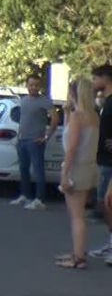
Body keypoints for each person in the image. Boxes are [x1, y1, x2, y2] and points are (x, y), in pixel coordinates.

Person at [55, 78, 100, 269]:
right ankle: (77, 252)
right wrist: (67, 113)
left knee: (76, 216)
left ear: (74, 93)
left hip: (76, 168)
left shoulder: (78, 117)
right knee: (79, 214)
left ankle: (78, 257)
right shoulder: (93, 116)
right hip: (89, 166)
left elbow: (71, 147)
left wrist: (65, 173)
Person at [10, 75, 57, 211]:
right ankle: (25, 195)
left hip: (35, 141)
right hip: (22, 139)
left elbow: (55, 118)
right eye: (31, 85)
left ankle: (40, 199)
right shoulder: (24, 100)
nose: (34, 88)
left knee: (38, 171)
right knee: (23, 169)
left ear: (40, 86)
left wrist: (47, 136)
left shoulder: (44, 101)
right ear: (27, 85)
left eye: (36, 85)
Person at [88, 64, 112, 262]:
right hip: (103, 158)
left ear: (105, 78)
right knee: (104, 204)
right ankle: (110, 242)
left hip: (109, 161)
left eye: (95, 78)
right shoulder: (105, 103)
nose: (94, 83)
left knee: (107, 204)